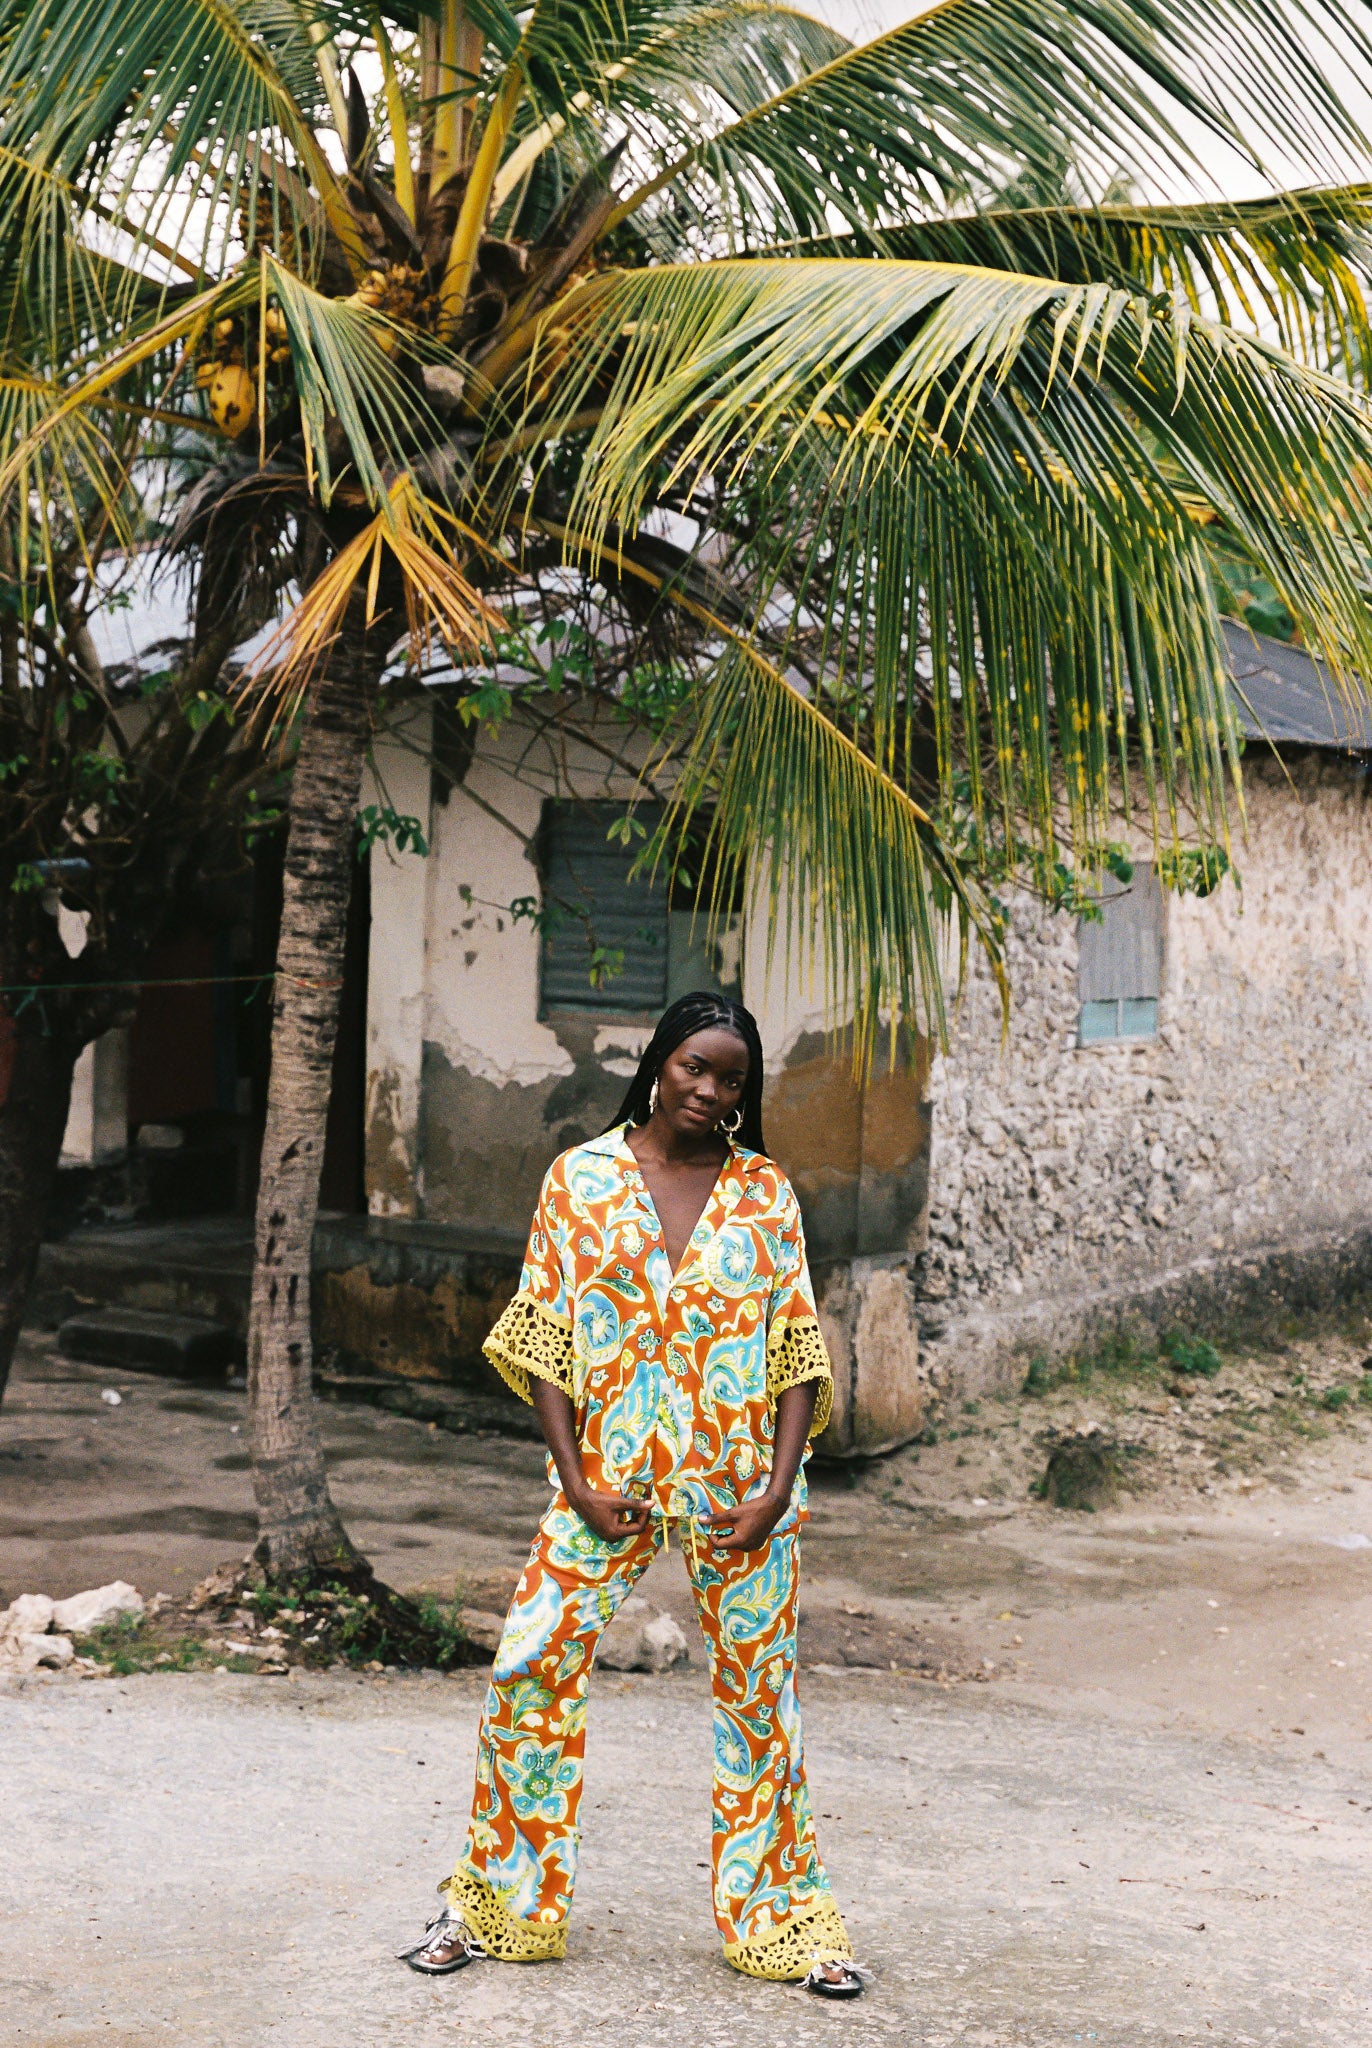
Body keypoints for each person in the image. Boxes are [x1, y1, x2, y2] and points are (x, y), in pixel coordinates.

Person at [398, 991, 863, 1999]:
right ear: (658, 1062)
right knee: (528, 1662)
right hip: (603, 1482)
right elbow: (545, 1335)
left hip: (739, 1490)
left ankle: (787, 1923)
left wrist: (776, 1488)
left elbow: (795, 1348)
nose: (709, 1090)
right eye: (695, 1066)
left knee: (761, 1701)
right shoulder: (581, 1179)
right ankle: (495, 1906)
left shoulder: (763, 1193)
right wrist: (575, 1477)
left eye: (731, 1078)